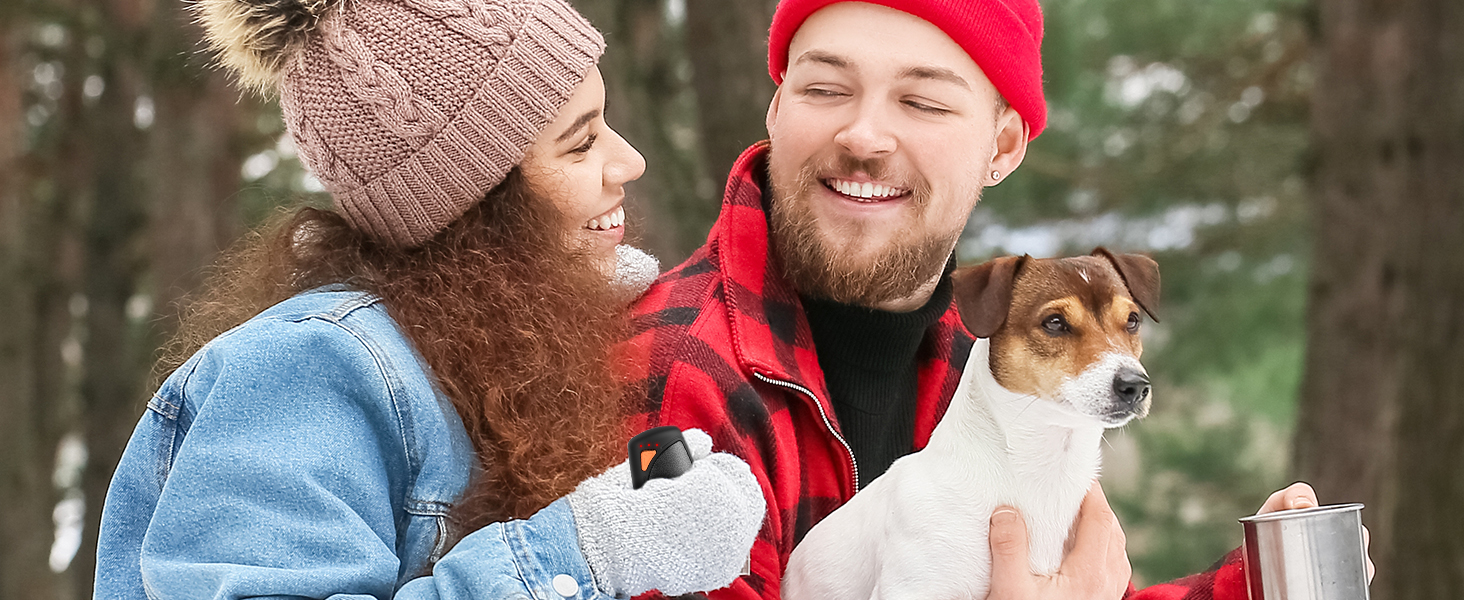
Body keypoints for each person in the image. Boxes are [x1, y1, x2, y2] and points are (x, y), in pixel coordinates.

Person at [622, 1, 1371, 599]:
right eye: (824, 88)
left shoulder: (998, 354)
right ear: (777, 109)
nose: (864, 133)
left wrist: (1254, 588)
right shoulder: (669, 367)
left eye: (923, 101)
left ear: (1004, 147)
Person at [92, 0, 764, 598]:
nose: (629, 162)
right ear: (476, 201)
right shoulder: (303, 373)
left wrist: (647, 492)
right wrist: (587, 552)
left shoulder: (499, 357)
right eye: (581, 141)